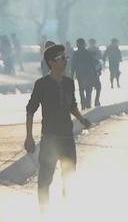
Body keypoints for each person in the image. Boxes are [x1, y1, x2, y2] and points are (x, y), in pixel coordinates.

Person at [25, 44, 92, 210]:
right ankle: (44, 211)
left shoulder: (69, 83)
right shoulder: (42, 84)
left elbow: (72, 105)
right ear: (51, 62)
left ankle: (68, 208)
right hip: (50, 138)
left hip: (67, 138)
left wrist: (82, 119)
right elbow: (30, 110)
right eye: (60, 58)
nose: (64, 61)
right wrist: (29, 136)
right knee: (45, 178)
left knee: (69, 175)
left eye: (65, 58)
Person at [70, 38, 94, 109]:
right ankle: (87, 104)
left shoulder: (76, 53)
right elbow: (92, 64)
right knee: (86, 89)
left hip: (82, 74)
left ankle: (85, 104)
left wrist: (72, 74)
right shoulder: (87, 52)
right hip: (85, 74)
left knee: (83, 90)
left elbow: (73, 65)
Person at [88, 38, 103, 106]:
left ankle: (89, 102)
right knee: (98, 87)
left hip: (91, 72)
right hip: (94, 72)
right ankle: (96, 101)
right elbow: (100, 57)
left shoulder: (87, 50)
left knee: (90, 89)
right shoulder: (96, 49)